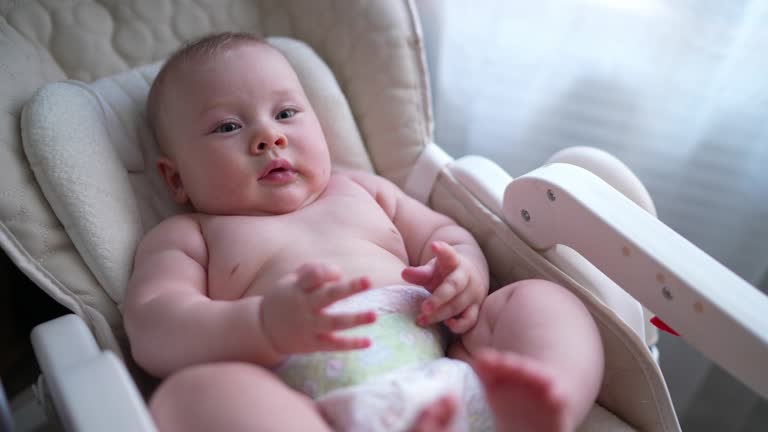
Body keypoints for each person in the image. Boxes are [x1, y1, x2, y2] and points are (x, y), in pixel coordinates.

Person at [124, 32, 604, 432]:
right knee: (192, 395)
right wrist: (262, 325)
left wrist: (462, 276)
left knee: (538, 299)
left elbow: (444, 234)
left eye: (286, 113)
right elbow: (154, 328)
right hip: (313, 411)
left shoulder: (361, 189)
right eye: (228, 126)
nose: (269, 137)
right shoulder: (190, 236)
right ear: (176, 179)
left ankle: (542, 403)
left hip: (449, 380)